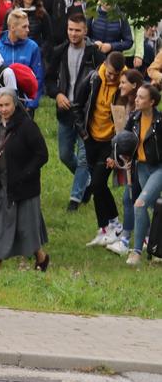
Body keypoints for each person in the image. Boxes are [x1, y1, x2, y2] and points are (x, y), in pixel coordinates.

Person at [0, 90, 51, 270]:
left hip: (22, 186)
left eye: (7, 105)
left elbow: (42, 154)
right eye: (0, 105)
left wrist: (26, 173)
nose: (3, 109)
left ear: (15, 104)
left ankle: (41, 258)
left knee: (25, 228)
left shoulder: (27, 126)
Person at [46, 9, 99, 212]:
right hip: (65, 111)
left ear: (85, 31)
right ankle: (88, 183)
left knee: (85, 156)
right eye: (70, 29)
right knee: (65, 155)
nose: (73, 34)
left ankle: (75, 199)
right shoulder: (59, 51)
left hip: (87, 113)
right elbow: (49, 79)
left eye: (77, 30)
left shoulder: (95, 54)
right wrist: (57, 94)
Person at [76, 52, 126, 248]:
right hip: (91, 137)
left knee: (97, 183)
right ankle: (104, 229)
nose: (113, 78)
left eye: (117, 74)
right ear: (105, 65)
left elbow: (124, 121)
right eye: (111, 74)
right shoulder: (94, 78)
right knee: (98, 187)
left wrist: (117, 149)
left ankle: (115, 224)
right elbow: (77, 105)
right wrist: (83, 133)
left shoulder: (124, 85)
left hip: (111, 141)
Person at [125, 82, 161, 265]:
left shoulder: (160, 122)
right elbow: (123, 139)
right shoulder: (134, 117)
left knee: (139, 204)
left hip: (159, 168)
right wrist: (114, 156)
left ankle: (136, 252)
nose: (136, 99)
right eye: (137, 96)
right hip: (141, 168)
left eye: (141, 97)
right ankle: (156, 248)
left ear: (152, 101)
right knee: (154, 207)